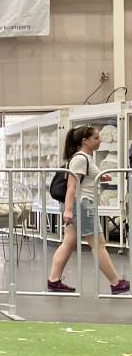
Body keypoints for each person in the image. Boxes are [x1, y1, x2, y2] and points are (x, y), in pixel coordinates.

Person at [47, 125, 129, 294]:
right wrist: (68, 210)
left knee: (68, 243)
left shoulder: (85, 158)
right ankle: (115, 282)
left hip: (79, 204)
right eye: (96, 138)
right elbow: (72, 186)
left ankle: (53, 280)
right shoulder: (80, 159)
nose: (99, 141)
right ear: (85, 141)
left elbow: (83, 181)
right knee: (98, 245)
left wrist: (100, 177)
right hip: (83, 205)